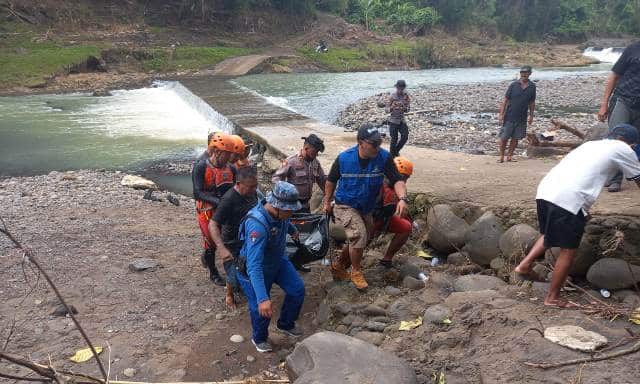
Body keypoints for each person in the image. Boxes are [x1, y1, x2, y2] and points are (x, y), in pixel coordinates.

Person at [514, 124, 640, 307]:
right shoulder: (622, 148)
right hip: (568, 198)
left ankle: (524, 265)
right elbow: (638, 178)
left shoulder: (590, 145)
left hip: (546, 191)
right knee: (568, 251)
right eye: (633, 145)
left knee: (548, 234)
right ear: (625, 141)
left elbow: (581, 174)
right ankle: (552, 298)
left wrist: (582, 210)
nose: (633, 149)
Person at [323, 123, 408, 290]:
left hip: (367, 207)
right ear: (361, 142)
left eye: (379, 143)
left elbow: (397, 179)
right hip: (345, 205)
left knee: (364, 237)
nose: (377, 147)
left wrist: (402, 199)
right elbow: (331, 181)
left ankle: (339, 265)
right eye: (373, 144)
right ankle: (356, 271)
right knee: (359, 234)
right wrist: (326, 201)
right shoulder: (344, 158)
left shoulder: (384, 157)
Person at [236, 181, 305, 353]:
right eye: (289, 209)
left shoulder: (281, 214)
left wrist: (292, 229)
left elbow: (284, 222)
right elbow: (254, 266)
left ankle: (285, 324)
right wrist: (262, 298)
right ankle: (259, 338)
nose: (292, 212)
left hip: (277, 260)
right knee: (261, 309)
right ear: (277, 206)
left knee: (297, 290)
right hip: (255, 269)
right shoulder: (257, 226)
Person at [210, 166, 260, 310]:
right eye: (251, 187)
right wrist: (221, 248)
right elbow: (213, 224)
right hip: (232, 242)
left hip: (249, 238)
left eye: (255, 186)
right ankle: (229, 294)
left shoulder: (252, 192)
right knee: (233, 274)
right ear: (238, 184)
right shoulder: (229, 199)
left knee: (250, 267)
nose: (253, 189)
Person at [192, 132, 235, 286]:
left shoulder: (231, 168)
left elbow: (234, 188)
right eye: (227, 154)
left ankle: (231, 272)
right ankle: (213, 272)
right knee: (210, 242)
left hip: (224, 210)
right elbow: (197, 192)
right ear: (217, 152)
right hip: (206, 210)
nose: (229, 158)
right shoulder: (201, 166)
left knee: (227, 239)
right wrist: (218, 201)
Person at [597, 41, 640, 192]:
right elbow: (614, 76)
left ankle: (632, 175)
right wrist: (604, 104)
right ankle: (614, 178)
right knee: (616, 139)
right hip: (623, 99)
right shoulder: (633, 49)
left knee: (635, 143)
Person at [373, 156, 414, 268]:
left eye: (406, 178)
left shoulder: (397, 188)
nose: (405, 181)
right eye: (404, 177)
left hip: (384, 218)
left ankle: (387, 259)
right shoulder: (377, 182)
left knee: (406, 227)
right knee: (361, 241)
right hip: (370, 218)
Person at [272, 134, 327, 213]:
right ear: (306, 148)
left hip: (306, 205)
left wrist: (329, 197)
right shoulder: (291, 161)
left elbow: (322, 180)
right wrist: (282, 196)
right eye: (314, 152)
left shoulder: (315, 163)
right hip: (291, 205)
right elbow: (276, 179)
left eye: (317, 152)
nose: (316, 155)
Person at [497, 66, 536, 163]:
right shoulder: (513, 85)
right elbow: (505, 100)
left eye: (526, 73)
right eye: (522, 72)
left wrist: (531, 115)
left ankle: (510, 156)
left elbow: (532, 102)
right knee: (504, 137)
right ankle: (501, 156)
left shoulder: (532, 86)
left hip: (522, 117)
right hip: (509, 116)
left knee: (515, 138)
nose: (523, 74)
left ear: (530, 74)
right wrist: (501, 114)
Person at [386, 80, 411, 157]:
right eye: (399, 88)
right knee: (394, 139)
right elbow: (386, 110)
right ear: (396, 87)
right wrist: (392, 107)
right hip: (393, 120)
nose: (400, 90)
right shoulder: (392, 96)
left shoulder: (406, 96)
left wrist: (404, 107)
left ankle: (395, 151)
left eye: (402, 88)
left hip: (401, 120)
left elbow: (408, 109)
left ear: (404, 88)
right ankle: (392, 155)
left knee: (405, 136)